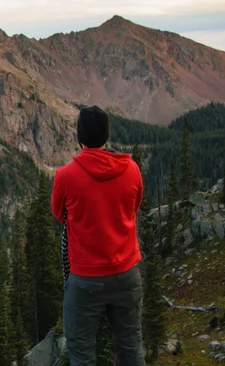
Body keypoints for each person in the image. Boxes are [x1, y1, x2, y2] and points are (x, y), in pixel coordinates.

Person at [51, 106, 145, 366]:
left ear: (79, 137)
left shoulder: (65, 176)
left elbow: (60, 215)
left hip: (84, 280)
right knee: (131, 350)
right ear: (107, 135)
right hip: (127, 274)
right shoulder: (132, 170)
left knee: (82, 355)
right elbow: (133, 208)